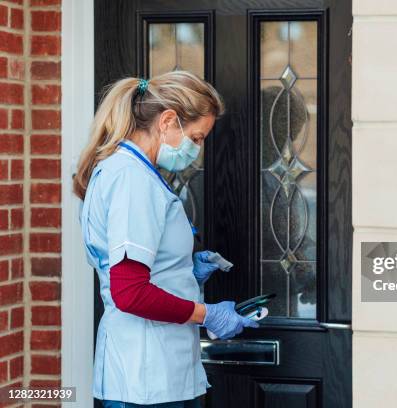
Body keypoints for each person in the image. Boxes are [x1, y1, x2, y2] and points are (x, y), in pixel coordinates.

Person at [73, 70, 259, 407]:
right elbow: (130, 292)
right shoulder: (132, 180)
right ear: (168, 121)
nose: (197, 150)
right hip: (145, 379)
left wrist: (184, 270)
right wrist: (209, 314)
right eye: (198, 138)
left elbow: (141, 267)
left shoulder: (133, 172)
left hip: (152, 374)